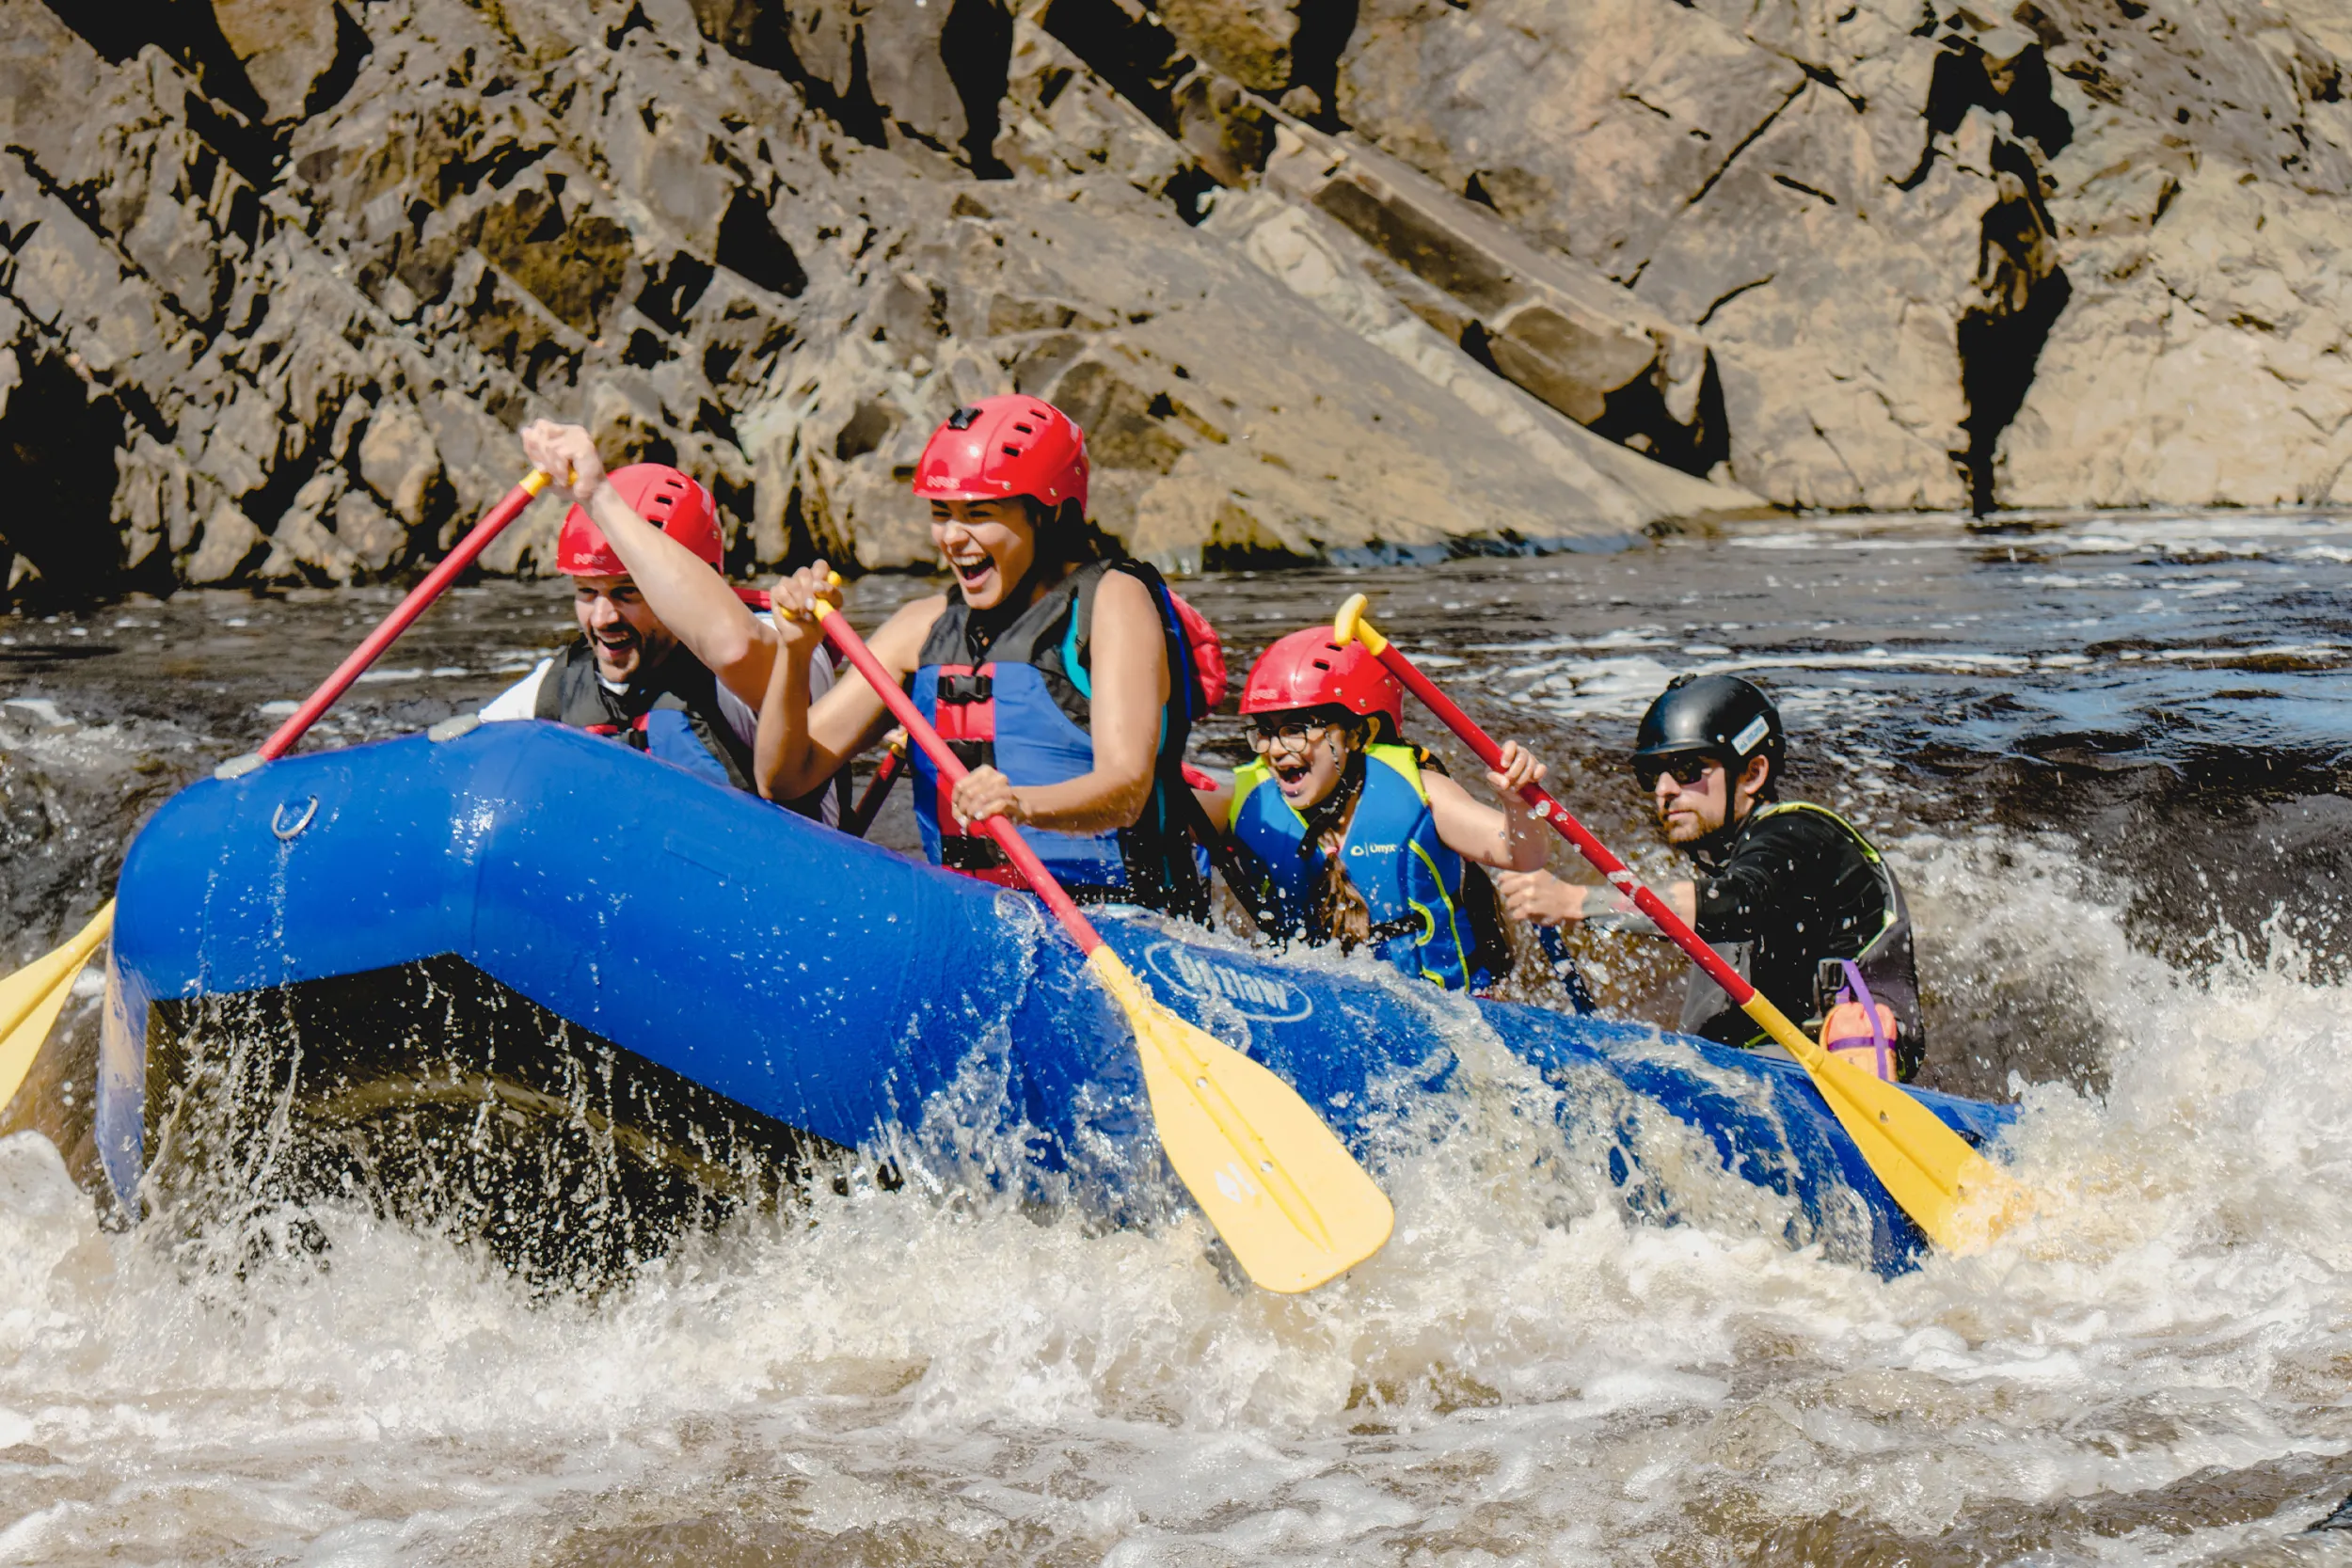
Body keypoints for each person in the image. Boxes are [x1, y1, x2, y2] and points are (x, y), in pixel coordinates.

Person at [755, 395, 1210, 912]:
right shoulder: (918, 628)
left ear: (1051, 515)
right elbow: (785, 777)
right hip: (971, 913)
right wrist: (795, 652)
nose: (952, 537)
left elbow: (1126, 791)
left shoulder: (1112, 601)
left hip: (1121, 915)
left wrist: (1021, 805)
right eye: (940, 513)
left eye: (979, 513)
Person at [1497, 673, 1924, 1074]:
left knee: (1852, 1023)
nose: (1664, 789)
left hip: (1851, 1065)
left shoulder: (1801, 834)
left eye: (1686, 770)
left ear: (1753, 772)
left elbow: (1739, 900)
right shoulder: (1725, 865)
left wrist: (1573, 902)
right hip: (1763, 1070)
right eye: (1653, 775)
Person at [480, 422, 840, 822]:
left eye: (627, 592)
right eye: (586, 592)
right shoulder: (558, 687)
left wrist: (598, 497)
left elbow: (734, 646)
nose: (603, 619)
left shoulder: (790, 643)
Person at [1200, 627, 1552, 992]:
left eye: (1296, 730)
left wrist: (1517, 803)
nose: (1275, 749)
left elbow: (1524, 854)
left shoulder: (1419, 792)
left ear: (1357, 735)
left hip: (1454, 1011)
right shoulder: (1247, 801)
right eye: (1266, 732)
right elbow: (1161, 815)